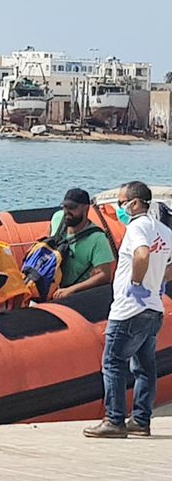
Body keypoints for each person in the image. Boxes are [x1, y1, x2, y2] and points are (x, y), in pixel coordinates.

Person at [84, 182, 172, 438]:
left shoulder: (137, 227)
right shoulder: (164, 230)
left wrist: (137, 283)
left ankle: (114, 419)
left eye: (121, 203)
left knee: (113, 362)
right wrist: (158, 282)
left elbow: (142, 255)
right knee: (145, 367)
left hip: (129, 308)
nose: (119, 208)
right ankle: (141, 420)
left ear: (135, 202)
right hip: (153, 308)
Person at [47, 188, 116, 301]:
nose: (67, 212)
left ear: (85, 208)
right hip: (48, 286)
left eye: (72, 207)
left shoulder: (97, 238)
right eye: (65, 206)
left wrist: (71, 290)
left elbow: (105, 275)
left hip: (72, 294)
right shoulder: (57, 218)